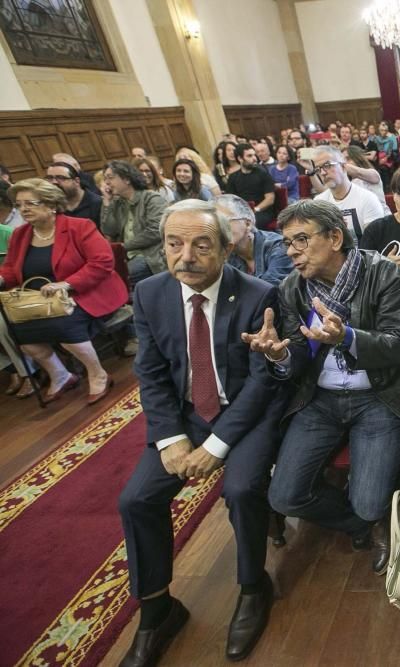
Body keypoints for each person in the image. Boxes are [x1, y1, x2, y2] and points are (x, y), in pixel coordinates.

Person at [117, 199, 287, 665]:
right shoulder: (150, 293)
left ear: (227, 248)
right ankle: (157, 610)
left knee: (242, 487)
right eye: (174, 243)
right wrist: (171, 439)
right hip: (186, 414)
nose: (185, 256)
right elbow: (150, 373)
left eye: (200, 245)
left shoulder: (257, 295)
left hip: (245, 414)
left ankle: (254, 586)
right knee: (136, 499)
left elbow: (261, 382)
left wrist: (216, 445)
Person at [256, 199, 400, 576]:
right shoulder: (293, 287)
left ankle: (372, 514)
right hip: (320, 399)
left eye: (301, 240)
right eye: (286, 243)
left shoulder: (383, 274)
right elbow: (297, 355)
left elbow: (398, 344)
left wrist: (347, 337)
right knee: (284, 496)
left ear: (336, 238)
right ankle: (360, 522)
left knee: (369, 502)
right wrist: (279, 356)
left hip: (378, 396)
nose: (291, 252)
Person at [0, 178, 127, 404]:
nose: (24, 209)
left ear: (51, 205)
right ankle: (60, 374)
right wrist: (2, 278)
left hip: (85, 294)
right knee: (19, 331)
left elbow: (102, 262)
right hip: (40, 302)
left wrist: (67, 284)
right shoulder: (20, 235)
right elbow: (11, 269)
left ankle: (98, 373)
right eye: (20, 205)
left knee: (63, 324)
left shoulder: (79, 226)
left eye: (31, 203)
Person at [100, 160, 168, 285]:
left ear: (126, 179)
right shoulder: (118, 203)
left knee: (116, 278)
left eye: (110, 178)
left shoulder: (151, 198)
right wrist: (107, 203)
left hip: (151, 256)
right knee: (102, 274)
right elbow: (108, 230)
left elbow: (155, 231)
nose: (107, 183)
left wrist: (123, 246)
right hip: (127, 257)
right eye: (105, 179)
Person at [312, 145, 385, 243]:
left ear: (343, 166)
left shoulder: (367, 197)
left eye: (327, 165)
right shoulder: (319, 202)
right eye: (318, 169)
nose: (323, 173)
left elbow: (373, 244)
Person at [218, 195, 293, 287]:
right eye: (213, 224)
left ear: (248, 224)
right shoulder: (225, 254)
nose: (218, 229)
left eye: (223, 221)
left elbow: (268, 291)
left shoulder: (279, 246)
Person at [224, 143, 276, 229]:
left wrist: (255, 210)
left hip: (261, 211)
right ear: (240, 158)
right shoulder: (233, 177)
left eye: (254, 155)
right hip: (242, 212)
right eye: (249, 156)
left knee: (249, 224)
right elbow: (230, 200)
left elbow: (270, 199)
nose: (255, 158)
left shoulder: (263, 173)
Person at [45, 162, 102, 226]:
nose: (54, 182)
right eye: (50, 178)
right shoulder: (50, 207)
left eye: (61, 178)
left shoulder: (98, 203)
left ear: (77, 181)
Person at [344, 146, 391, 215]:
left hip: (382, 219)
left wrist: (339, 164)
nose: (345, 162)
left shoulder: (372, 173)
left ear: (358, 158)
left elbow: (358, 172)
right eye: (343, 160)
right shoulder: (349, 183)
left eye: (348, 159)